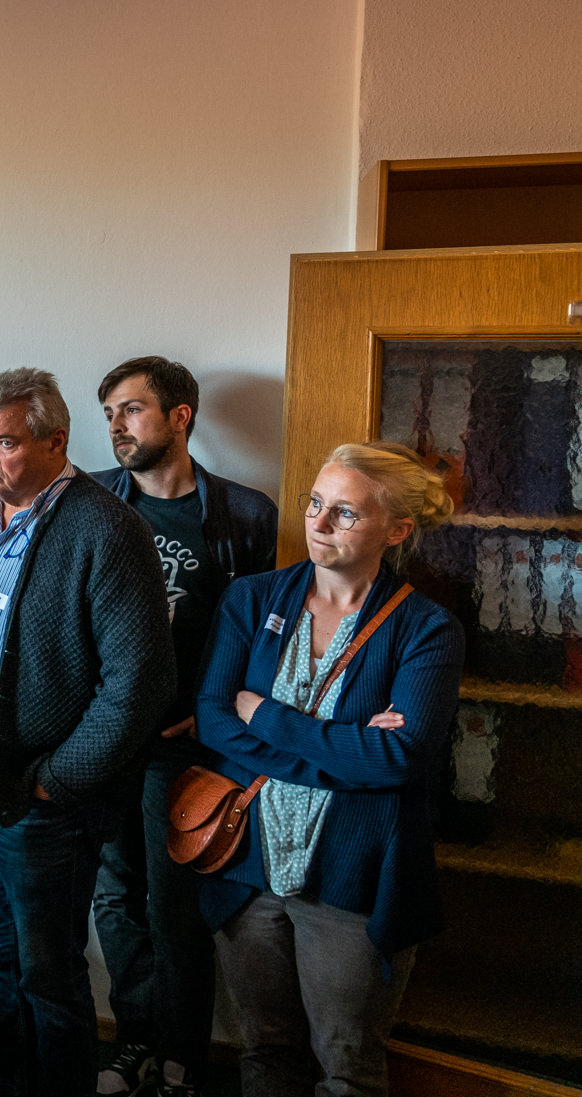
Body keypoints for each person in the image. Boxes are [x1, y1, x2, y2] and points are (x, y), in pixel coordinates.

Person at [0, 367, 173, 1097]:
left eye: (5, 442)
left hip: (41, 794)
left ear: (56, 441)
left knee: (47, 969)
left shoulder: (107, 529)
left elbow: (139, 686)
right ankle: (11, 1080)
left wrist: (57, 780)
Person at [195, 442, 461, 1097]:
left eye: (345, 512)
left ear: (396, 530)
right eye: (315, 503)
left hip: (352, 876)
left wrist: (265, 714)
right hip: (248, 863)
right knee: (266, 1051)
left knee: (347, 1069)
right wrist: (345, 754)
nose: (318, 522)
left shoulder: (427, 630)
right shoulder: (252, 599)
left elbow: (399, 756)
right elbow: (214, 719)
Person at [88, 356, 278, 1097]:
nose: (117, 426)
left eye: (131, 409)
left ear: (180, 416)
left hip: (185, 745)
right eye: (109, 413)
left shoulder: (246, 514)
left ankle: (182, 1060)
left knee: (174, 908)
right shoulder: (90, 502)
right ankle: (134, 1038)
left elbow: (262, 633)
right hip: (104, 738)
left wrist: (212, 705)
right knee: (114, 898)